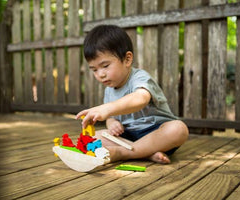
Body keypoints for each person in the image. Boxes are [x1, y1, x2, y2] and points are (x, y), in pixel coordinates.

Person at [75, 25, 188, 164]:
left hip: (156, 134)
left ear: (127, 59)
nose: (101, 74)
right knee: (90, 137)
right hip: (127, 137)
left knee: (178, 129)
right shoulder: (109, 89)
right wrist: (112, 123)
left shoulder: (139, 77)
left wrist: (107, 108)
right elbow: (111, 117)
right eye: (94, 70)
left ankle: (123, 153)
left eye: (105, 66)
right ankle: (144, 153)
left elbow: (140, 98)